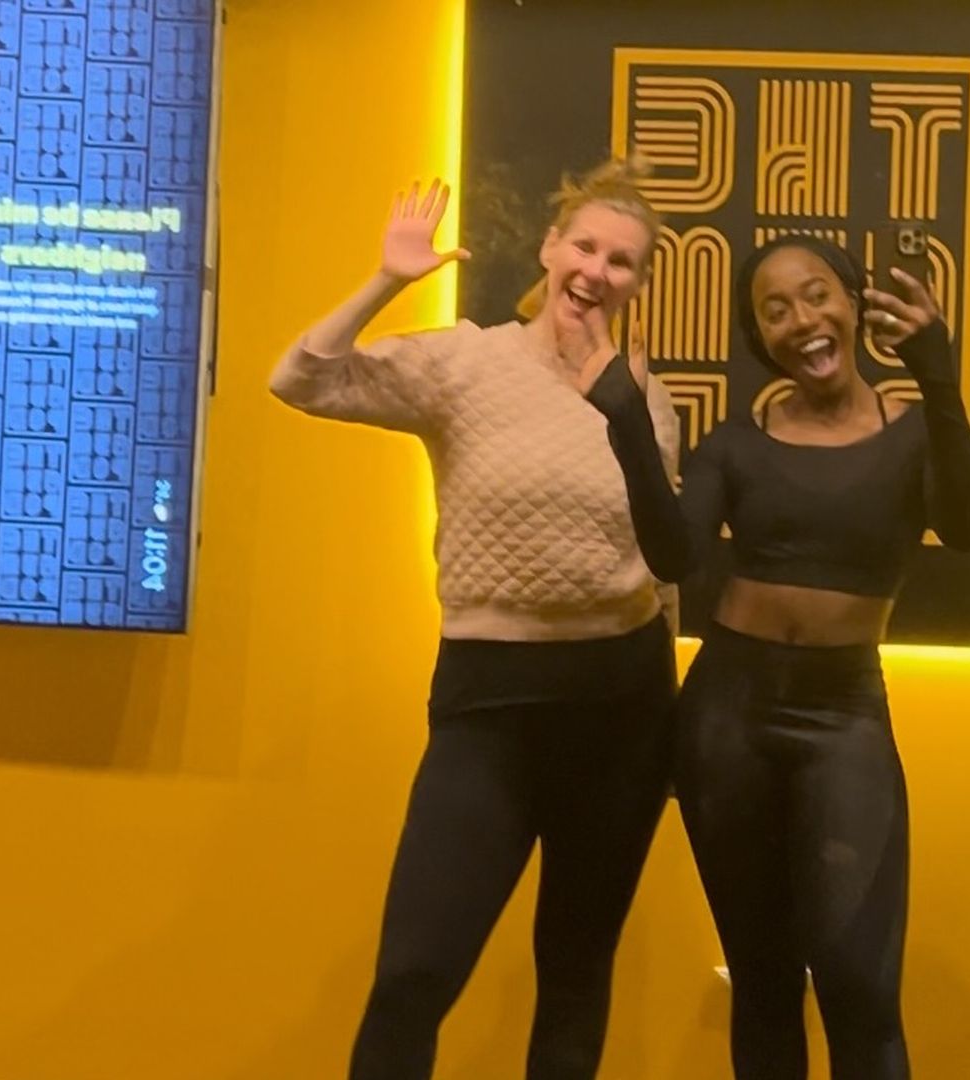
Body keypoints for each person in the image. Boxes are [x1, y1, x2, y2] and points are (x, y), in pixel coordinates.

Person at [268, 160, 689, 1080]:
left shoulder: (646, 397)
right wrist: (388, 279)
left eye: (623, 261)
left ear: (639, 283)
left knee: (575, 976)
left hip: (622, 711)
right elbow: (299, 380)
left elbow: (664, 572)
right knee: (415, 974)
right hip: (487, 705)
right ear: (550, 248)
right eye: (585, 245)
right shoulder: (465, 362)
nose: (597, 271)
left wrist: (670, 736)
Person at [673, 235, 970, 1079]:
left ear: (852, 305)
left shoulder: (915, 430)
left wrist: (939, 377)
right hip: (725, 715)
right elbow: (670, 549)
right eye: (773, 311)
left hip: (843, 710)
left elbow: (964, 528)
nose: (801, 321)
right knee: (766, 983)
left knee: (859, 986)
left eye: (816, 296)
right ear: (757, 338)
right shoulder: (733, 444)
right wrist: (627, 420)